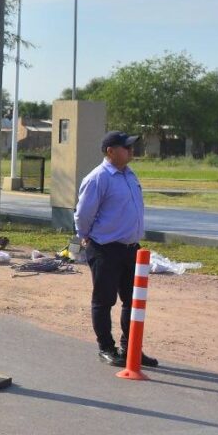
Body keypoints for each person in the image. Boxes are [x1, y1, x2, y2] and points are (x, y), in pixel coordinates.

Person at [74, 131, 158, 368]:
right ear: (110, 151)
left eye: (131, 147)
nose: (131, 151)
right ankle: (106, 348)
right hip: (105, 248)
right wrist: (85, 237)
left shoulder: (129, 174)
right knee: (104, 301)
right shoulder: (98, 178)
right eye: (126, 147)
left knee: (133, 301)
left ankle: (131, 348)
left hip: (131, 249)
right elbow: (83, 214)